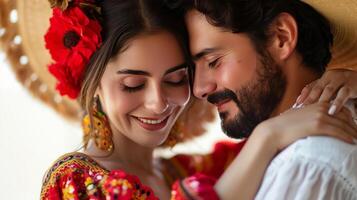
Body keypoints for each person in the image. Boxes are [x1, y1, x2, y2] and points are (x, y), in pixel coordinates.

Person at [40, 0, 357, 199]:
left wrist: (343, 79)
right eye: (133, 84)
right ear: (92, 84)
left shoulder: (186, 170)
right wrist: (267, 136)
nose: (158, 103)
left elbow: (286, 112)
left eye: (178, 78)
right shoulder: (76, 183)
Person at [172, 0, 357, 199]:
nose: (199, 89)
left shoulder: (305, 164)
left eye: (213, 61)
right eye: (192, 70)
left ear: (282, 37)